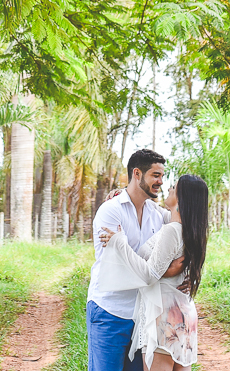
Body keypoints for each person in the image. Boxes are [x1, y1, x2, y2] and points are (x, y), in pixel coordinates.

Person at [97, 174, 210, 371]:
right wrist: (123, 194)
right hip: (183, 313)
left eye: (174, 187)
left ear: (181, 198)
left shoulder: (171, 231)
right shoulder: (192, 231)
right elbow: (155, 209)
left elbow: (149, 275)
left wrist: (119, 242)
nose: (169, 189)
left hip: (164, 314)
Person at [87, 149, 184, 371]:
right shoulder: (111, 211)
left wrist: (186, 267)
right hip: (109, 311)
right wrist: (166, 272)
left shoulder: (157, 213)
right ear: (137, 174)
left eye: (162, 175)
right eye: (155, 175)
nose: (160, 181)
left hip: (142, 315)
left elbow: (184, 234)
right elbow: (117, 267)